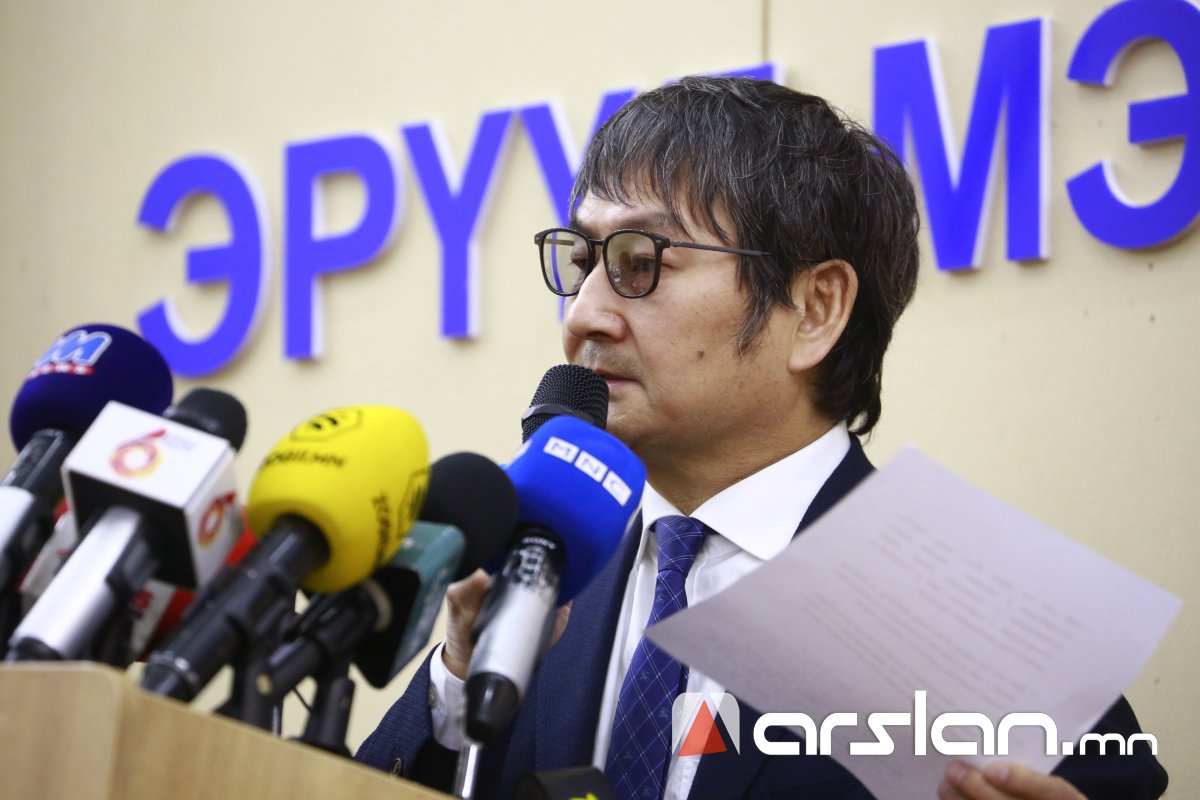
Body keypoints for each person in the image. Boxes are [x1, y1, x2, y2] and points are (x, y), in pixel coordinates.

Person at [357, 76, 1167, 800]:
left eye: (640, 262)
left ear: (815, 309)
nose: (584, 315)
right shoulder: (551, 566)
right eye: (582, 260)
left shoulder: (986, 630)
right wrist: (458, 679)